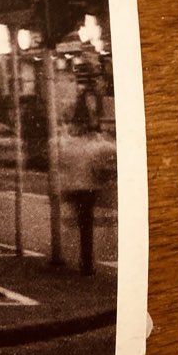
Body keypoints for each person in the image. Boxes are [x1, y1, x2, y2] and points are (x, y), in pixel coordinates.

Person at [57, 104, 117, 275]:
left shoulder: (70, 145)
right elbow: (108, 153)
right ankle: (86, 263)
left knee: (78, 224)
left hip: (73, 188)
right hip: (88, 189)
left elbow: (63, 158)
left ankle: (75, 256)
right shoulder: (93, 146)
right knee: (86, 226)